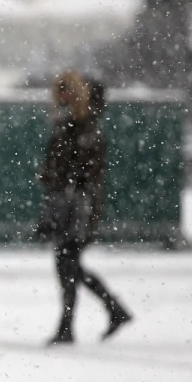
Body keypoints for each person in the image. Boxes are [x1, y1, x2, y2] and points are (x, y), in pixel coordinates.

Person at [38, 71, 133, 345]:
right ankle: (110, 310)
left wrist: (52, 176)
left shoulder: (81, 129)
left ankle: (74, 324)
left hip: (76, 209)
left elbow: (76, 172)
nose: (61, 98)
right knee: (69, 266)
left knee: (67, 266)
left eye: (68, 92)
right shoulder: (76, 127)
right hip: (75, 206)